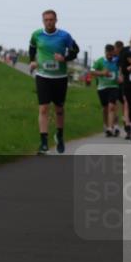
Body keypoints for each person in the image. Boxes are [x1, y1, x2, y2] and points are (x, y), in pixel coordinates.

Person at [28, 10, 80, 154]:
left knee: (59, 109)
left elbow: (76, 50)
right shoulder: (37, 34)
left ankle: (59, 135)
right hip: (43, 76)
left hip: (60, 77)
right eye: (46, 20)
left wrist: (64, 58)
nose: (49, 22)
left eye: (51, 19)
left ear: (56, 20)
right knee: (43, 108)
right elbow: (32, 47)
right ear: (43, 21)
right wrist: (32, 60)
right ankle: (44, 143)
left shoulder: (64, 36)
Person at [89, 44, 121, 136]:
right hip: (102, 88)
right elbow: (92, 71)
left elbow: (121, 69)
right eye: (108, 54)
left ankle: (111, 128)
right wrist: (102, 73)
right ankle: (107, 125)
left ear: (113, 52)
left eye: (111, 54)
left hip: (114, 87)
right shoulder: (100, 61)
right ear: (105, 52)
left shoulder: (117, 61)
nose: (110, 56)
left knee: (112, 107)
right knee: (105, 109)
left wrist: (120, 76)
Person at [114, 40, 131, 139]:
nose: (114, 50)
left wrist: (120, 76)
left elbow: (121, 69)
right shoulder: (117, 57)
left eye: (115, 48)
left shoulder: (122, 56)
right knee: (123, 105)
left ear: (118, 48)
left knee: (125, 105)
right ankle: (123, 126)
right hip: (118, 84)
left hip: (124, 83)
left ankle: (127, 127)